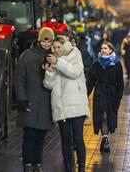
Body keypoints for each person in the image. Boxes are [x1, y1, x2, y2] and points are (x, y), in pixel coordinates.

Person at [45, 35, 89, 172]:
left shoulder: (75, 54)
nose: (56, 49)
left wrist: (58, 62)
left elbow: (75, 72)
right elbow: (48, 84)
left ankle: (81, 167)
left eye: (58, 47)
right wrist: (50, 72)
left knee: (78, 138)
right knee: (65, 140)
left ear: (64, 46)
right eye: (54, 47)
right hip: (61, 107)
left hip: (76, 106)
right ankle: (68, 167)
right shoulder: (54, 60)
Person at [15, 27, 55, 172]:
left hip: (45, 104)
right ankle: (27, 165)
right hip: (30, 102)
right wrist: (22, 99)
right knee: (29, 135)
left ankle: (38, 164)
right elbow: (19, 79)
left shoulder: (54, 58)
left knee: (41, 136)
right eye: (44, 41)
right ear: (39, 40)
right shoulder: (26, 56)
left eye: (49, 41)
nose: (46, 44)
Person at [86, 41, 124, 153]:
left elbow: (120, 83)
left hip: (112, 94)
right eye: (102, 48)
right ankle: (105, 139)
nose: (103, 50)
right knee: (101, 116)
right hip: (99, 93)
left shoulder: (117, 63)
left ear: (111, 50)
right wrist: (85, 94)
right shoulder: (96, 63)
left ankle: (105, 139)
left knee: (109, 117)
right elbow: (91, 80)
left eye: (105, 48)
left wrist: (118, 97)